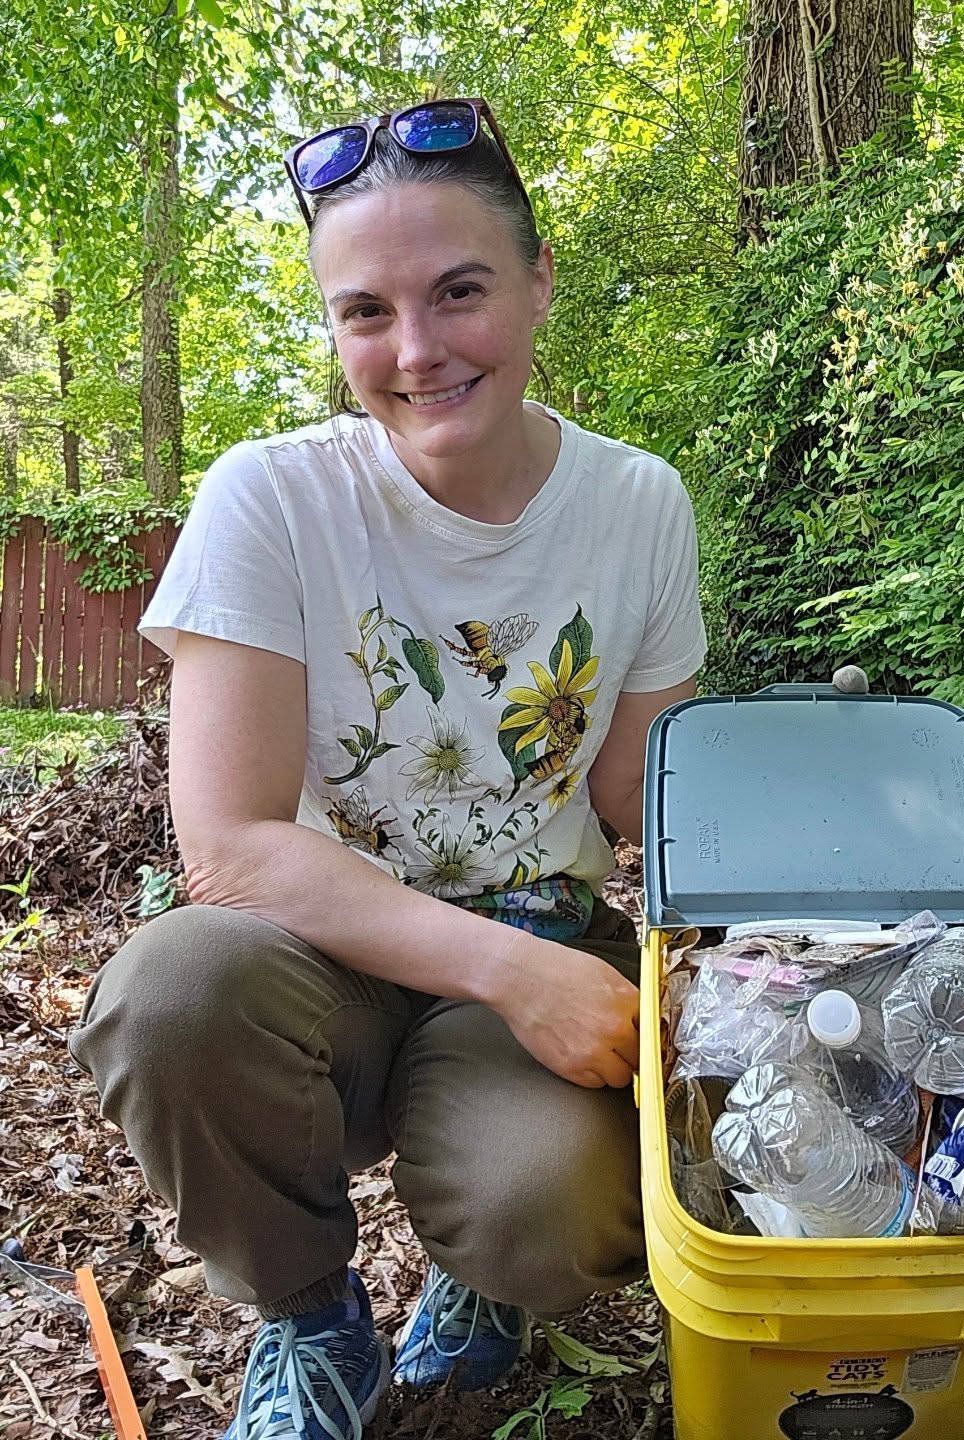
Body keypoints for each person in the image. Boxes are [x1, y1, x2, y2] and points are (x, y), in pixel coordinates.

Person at [69, 97, 705, 1440]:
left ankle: (489, 1284)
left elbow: (633, 800)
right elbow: (232, 846)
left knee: (558, 1206)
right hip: (322, 961)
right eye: (366, 312)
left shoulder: (639, 503)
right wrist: (509, 970)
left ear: (537, 285)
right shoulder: (273, 497)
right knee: (167, 994)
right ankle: (311, 1319)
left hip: (540, 929)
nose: (416, 351)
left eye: (459, 292)